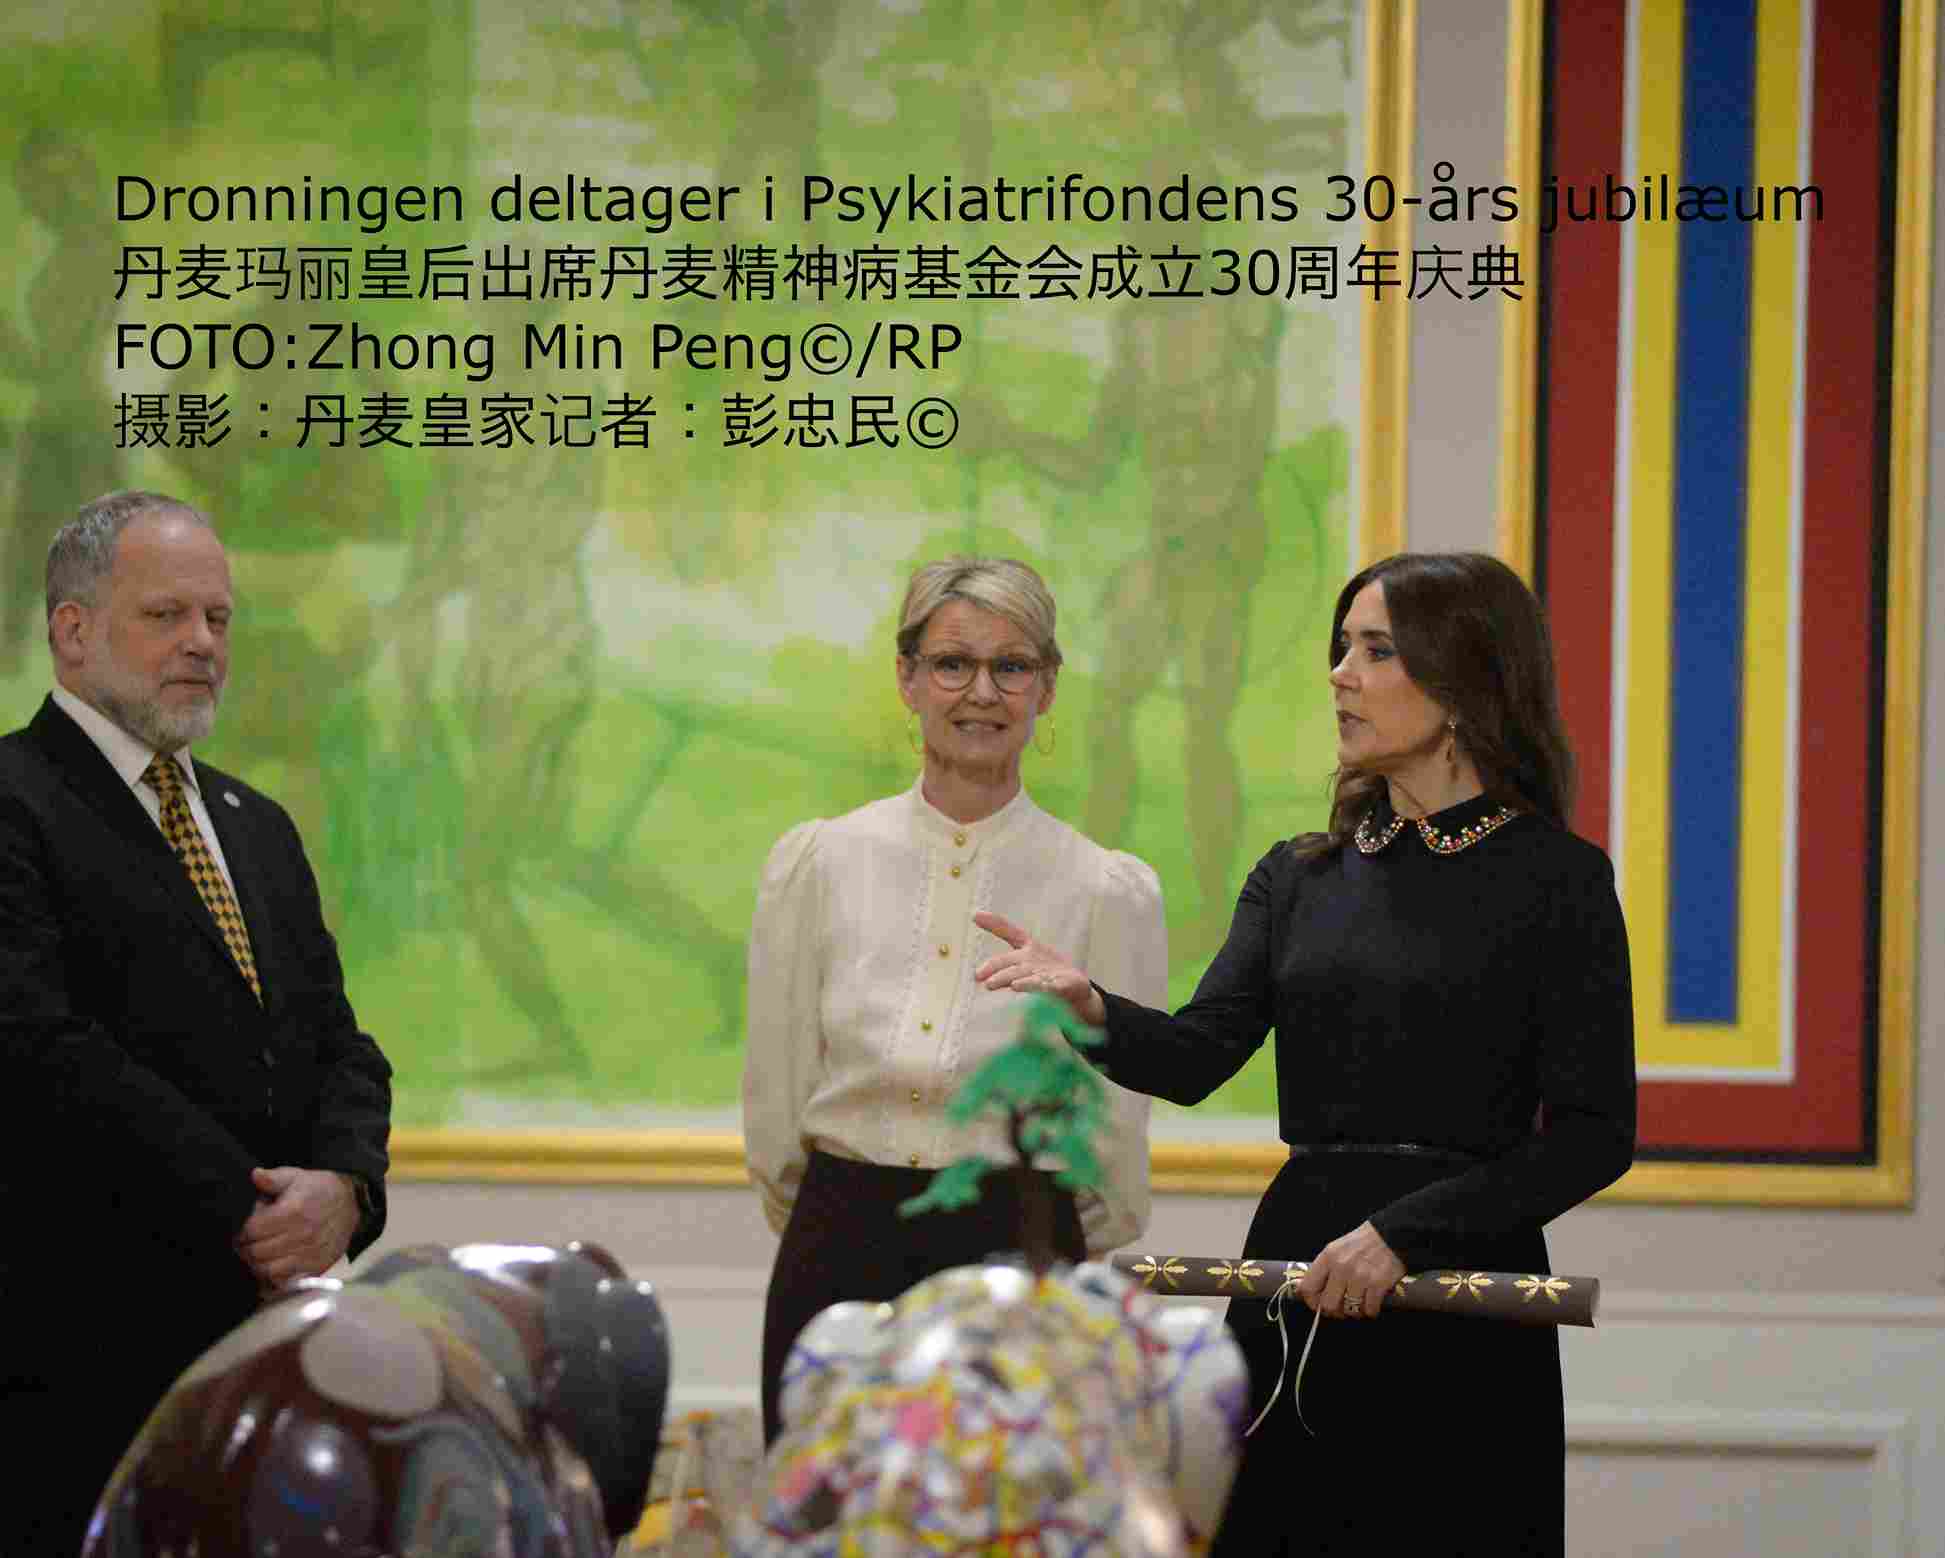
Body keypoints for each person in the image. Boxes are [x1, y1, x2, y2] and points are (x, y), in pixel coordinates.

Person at [974, 551, 1636, 1556]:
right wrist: (1088, 1002)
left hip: (1463, 1287)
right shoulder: (1297, 875)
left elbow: (1592, 1135)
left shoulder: (1560, 881)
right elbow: (1196, 1056)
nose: (1339, 673)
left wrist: (1404, 1234)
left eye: (1376, 650)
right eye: (1340, 647)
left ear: (1463, 679)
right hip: (1297, 1277)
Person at [0, 492, 392, 1556]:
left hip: (260, 1363)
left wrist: (345, 1187)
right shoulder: (15, 801)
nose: (203, 644)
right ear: (72, 630)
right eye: (165, 614)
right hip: (74, 1366)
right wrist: (253, 1206)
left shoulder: (255, 825)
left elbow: (340, 1046)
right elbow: (39, 1050)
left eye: (218, 618)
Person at [743, 557, 1165, 1446]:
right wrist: (834, 1210)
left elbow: (1113, 1134)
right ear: (907, 678)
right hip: (841, 1240)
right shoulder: (821, 861)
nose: (981, 692)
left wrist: (1046, 1237)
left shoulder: (1103, 889)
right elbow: (777, 1092)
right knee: (826, 1505)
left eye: (1011, 666)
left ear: (1046, 687)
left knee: (1012, 1506)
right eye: (951, 664)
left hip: (1018, 1251)